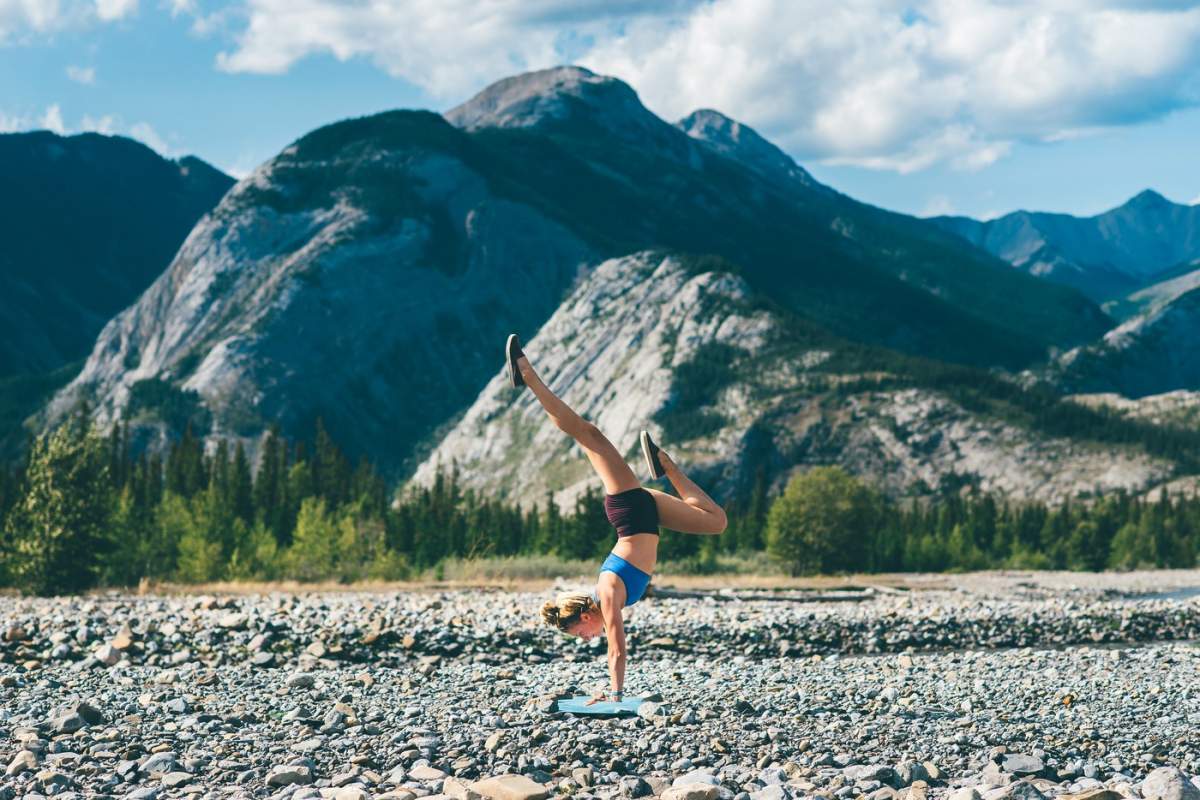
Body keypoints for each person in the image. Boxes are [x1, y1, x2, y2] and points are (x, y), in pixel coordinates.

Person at [505, 334, 727, 703]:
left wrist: (617, 695)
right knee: (716, 521)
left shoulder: (607, 594)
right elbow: (613, 646)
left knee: (587, 433)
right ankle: (664, 464)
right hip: (646, 514)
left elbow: (617, 650)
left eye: (580, 634)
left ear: (584, 617)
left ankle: (525, 373)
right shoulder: (608, 598)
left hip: (629, 509)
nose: (586, 639)